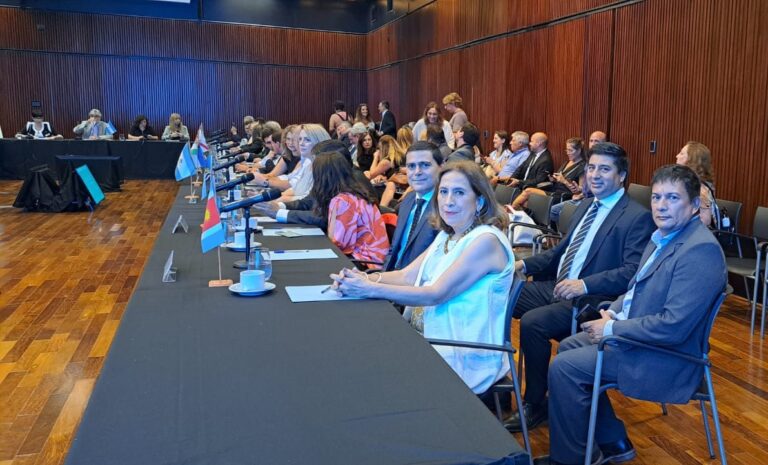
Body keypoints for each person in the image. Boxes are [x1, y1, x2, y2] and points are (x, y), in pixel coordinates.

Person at [540, 164, 727, 465]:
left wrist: (612, 330)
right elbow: (635, 289)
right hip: (642, 339)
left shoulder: (699, 251)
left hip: (667, 356)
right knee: (569, 346)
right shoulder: (663, 236)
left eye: (672, 198)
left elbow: (673, 327)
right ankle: (613, 440)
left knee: (565, 368)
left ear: (694, 206)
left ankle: (569, 459)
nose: (661, 206)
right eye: (656, 198)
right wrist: (612, 311)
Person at [329, 161, 515, 400]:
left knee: (362, 366)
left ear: (479, 202)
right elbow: (407, 275)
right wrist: (363, 277)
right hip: (427, 337)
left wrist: (369, 288)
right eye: (444, 192)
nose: (448, 201)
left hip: (460, 350)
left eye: (459, 193)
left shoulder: (486, 241)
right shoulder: (450, 235)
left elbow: (435, 294)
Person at [504, 142, 655, 434]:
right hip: (558, 287)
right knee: (501, 295)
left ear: (621, 175)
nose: (595, 175)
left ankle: (536, 403)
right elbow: (561, 251)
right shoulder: (586, 204)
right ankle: (495, 378)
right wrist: (523, 266)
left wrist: (583, 284)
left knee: (534, 323)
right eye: (591, 167)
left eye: (605, 169)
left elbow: (629, 274)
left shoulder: (637, 216)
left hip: (591, 301)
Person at [253, 140, 375, 228]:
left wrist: (280, 213)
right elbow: (309, 201)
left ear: (331, 162)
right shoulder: (332, 177)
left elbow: (326, 218)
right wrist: (277, 206)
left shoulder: (355, 181)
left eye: (316, 162)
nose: (313, 166)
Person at [311, 151, 389, 267]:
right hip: (371, 257)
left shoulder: (343, 201)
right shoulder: (354, 193)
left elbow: (339, 245)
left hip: (365, 261)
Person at [383, 141, 443, 271]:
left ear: (441, 168)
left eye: (425, 165)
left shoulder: (446, 208)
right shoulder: (407, 201)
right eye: (411, 166)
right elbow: (394, 250)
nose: (417, 172)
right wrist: (380, 278)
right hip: (391, 279)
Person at [250, 123, 330, 202]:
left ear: (319, 141)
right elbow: (295, 187)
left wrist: (266, 183)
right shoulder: (308, 162)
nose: (301, 143)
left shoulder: (325, 166)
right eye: (300, 139)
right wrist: (268, 197)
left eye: (307, 140)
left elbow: (309, 200)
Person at [510, 137, 586, 210]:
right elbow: (558, 178)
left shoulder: (582, 167)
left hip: (563, 196)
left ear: (579, 150)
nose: (568, 153)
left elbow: (579, 192)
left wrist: (564, 181)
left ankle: (509, 213)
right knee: (525, 203)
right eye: (567, 150)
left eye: (570, 150)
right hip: (554, 190)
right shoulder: (567, 162)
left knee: (528, 191)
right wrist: (553, 179)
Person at [550, 131, 608, 222]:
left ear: (604, 143)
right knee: (553, 211)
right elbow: (586, 187)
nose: (592, 144)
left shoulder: (606, 161)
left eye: (596, 141)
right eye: (591, 141)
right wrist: (580, 192)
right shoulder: (590, 160)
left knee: (562, 213)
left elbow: (602, 187)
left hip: (595, 200)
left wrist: (581, 194)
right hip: (583, 197)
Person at [676, 141, 717, 228]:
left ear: (691, 160)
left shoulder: (701, 190)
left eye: (682, 153)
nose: (677, 156)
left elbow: (705, 222)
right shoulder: (689, 183)